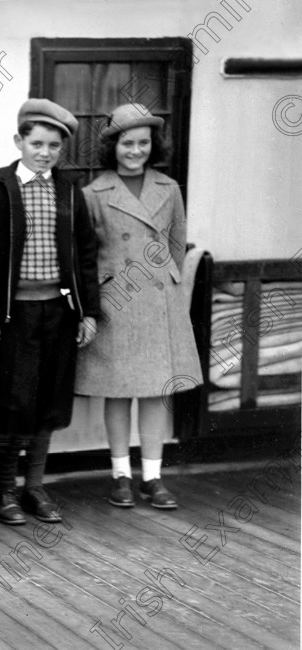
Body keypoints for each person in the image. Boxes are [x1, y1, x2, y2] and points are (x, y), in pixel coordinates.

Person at [0, 98, 100, 526]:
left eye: (54, 147)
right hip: (12, 315)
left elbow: (85, 255)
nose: (44, 154)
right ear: (19, 141)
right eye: (37, 143)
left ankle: (35, 487)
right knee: (13, 401)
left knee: (48, 401)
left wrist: (87, 311)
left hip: (58, 313)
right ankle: (4, 489)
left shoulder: (67, 192)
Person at [75, 103, 202, 509]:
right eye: (127, 143)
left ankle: (152, 477)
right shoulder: (93, 194)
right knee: (118, 392)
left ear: (153, 144)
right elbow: (88, 253)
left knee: (154, 392)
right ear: (112, 146)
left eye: (143, 142)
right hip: (116, 302)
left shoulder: (168, 188)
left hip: (158, 300)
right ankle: (120, 476)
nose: (135, 150)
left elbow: (177, 245)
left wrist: (167, 284)